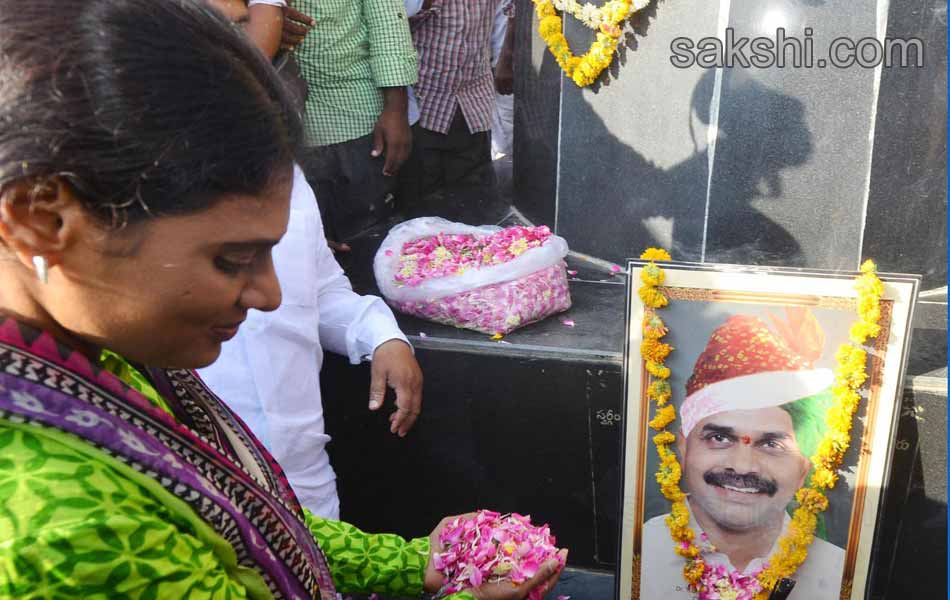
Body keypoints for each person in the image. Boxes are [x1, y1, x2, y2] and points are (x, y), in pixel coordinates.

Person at [0, 2, 566, 598]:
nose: (271, 295)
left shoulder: (92, 358)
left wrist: (411, 562)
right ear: (44, 222)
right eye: (230, 260)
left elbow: (246, 523)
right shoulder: (57, 529)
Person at [198, 0, 424, 521]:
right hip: (204, 487)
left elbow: (319, 291)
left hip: (305, 481)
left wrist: (381, 336)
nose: (265, 294)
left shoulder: (288, 179)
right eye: (234, 27)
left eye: (250, 24)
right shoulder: (137, 192)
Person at [640, 311, 845, 599]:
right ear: (684, 449)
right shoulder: (641, 548)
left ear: (802, 470)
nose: (742, 466)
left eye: (771, 445)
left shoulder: (837, 572)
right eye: (719, 438)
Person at [292, 0, 418, 250]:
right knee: (300, 252)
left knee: (369, 245)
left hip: (353, 118)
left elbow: (387, 23)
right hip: (278, 129)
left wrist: (396, 108)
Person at [399, 0, 516, 204]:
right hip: (425, 102)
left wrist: (504, 59)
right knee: (422, 201)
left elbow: (508, 11)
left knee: (472, 199)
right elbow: (396, 22)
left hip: (473, 103)